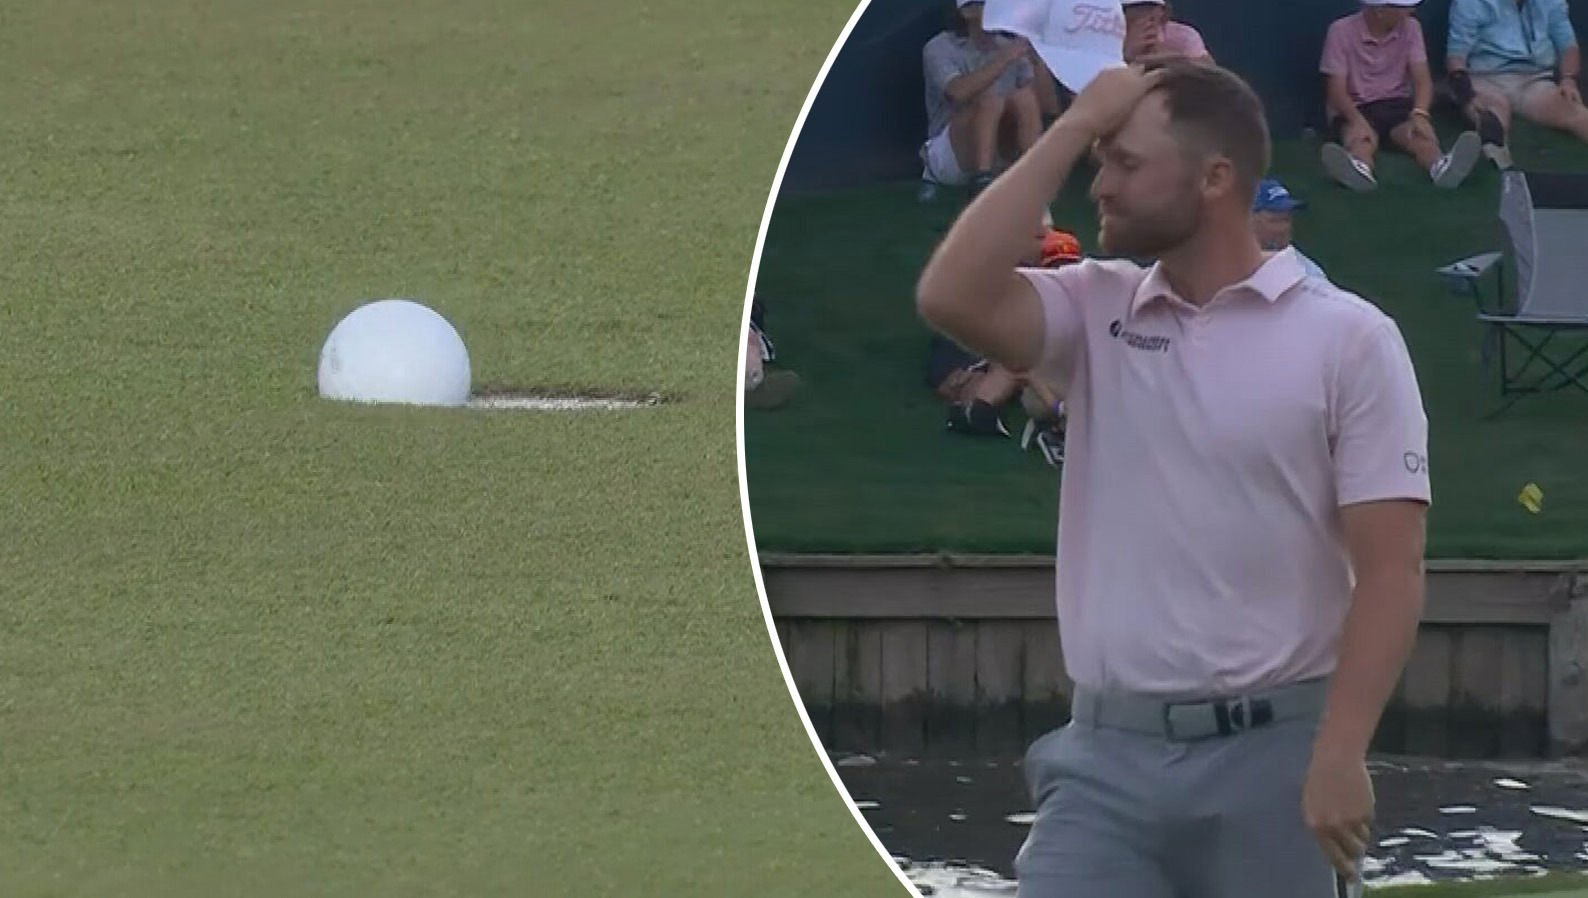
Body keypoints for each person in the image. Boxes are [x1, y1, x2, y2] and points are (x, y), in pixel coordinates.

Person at [917, 61, 1430, 897]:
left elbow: (1392, 570)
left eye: (1125, 164)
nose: (1102, 188)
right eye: (1100, 163)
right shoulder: (1096, 308)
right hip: (1102, 763)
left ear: (1215, 179)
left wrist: (1340, 755)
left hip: (1276, 760)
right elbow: (950, 294)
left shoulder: (1351, 341)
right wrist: (1076, 126)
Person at [1319, 0, 1482, 192]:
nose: (1410, 11)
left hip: (1396, 103)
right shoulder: (1339, 31)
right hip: (1355, 106)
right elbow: (1336, 90)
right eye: (1402, 7)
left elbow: (1422, 80)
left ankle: (1439, 166)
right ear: (1380, 11)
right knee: (1360, 139)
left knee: (1419, 136)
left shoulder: (1412, 27)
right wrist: (1357, 120)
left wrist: (1420, 114)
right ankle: (1359, 168)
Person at [921, 0, 1047, 194]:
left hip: (1001, 149)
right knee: (990, 101)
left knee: (1024, 98)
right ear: (967, 13)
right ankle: (982, 183)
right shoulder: (939, 47)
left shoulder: (1010, 47)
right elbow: (958, 92)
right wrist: (1005, 58)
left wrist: (1040, 60)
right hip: (950, 158)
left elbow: (1045, 107)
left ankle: (1036, 180)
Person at [1447, 0, 1585, 169]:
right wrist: (1466, 93)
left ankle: (1490, 145)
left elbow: (1568, 46)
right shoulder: (1470, 3)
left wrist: (1568, 80)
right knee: (1494, 113)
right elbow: (1456, 57)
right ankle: (1491, 146)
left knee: (1573, 110)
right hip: (1485, 78)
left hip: (1534, 82)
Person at [1252, 178, 1328, 278]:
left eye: (1286, 220)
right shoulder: (1227, 261)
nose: (1283, 229)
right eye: (1275, 221)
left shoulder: (1306, 273)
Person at [1122, 0, 1214, 65]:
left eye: (1151, 7)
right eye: (1137, 8)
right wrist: (1128, 55)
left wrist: (1170, 59)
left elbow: (1210, 74)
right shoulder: (1110, 36)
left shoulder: (1184, 35)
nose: (1147, 15)